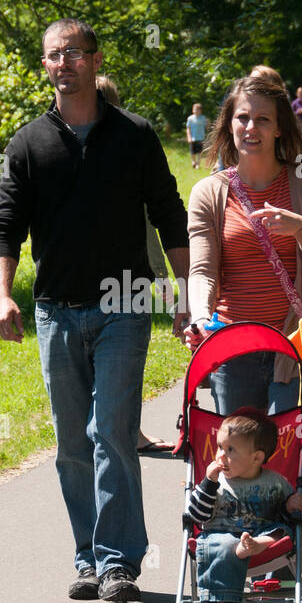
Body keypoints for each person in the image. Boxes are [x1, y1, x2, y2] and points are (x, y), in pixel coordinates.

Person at [0, 19, 190, 603]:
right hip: (55, 310)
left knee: (114, 434)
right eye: (54, 55)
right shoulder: (27, 143)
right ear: (45, 66)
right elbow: (5, 226)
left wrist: (183, 295)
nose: (64, 63)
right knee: (73, 442)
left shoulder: (136, 135)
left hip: (124, 307)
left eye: (74, 53)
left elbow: (168, 213)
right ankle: (87, 557)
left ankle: (119, 563)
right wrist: (4, 295)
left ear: (96, 60)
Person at [185, 74, 302, 415]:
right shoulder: (208, 193)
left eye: (262, 119)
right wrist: (199, 317)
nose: (251, 127)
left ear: (279, 128)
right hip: (232, 346)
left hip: (296, 346)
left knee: (290, 461)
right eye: (242, 117)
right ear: (229, 124)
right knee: (240, 463)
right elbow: (201, 271)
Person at [99, 73, 173, 455]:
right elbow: (152, 224)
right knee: (125, 367)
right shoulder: (131, 145)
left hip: (108, 278)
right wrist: (161, 275)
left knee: (110, 368)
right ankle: (128, 432)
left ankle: (121, 430)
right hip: (129, 277)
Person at [183, 409, 302, 603]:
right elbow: (195, 515)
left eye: (230, 450)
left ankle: (255, 544)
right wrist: (208, 483)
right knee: (223, 543)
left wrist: (290, 506)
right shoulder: (216, 483)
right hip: (221, 535)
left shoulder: (275, 482)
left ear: (257, 457)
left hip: (263, 538)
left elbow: (287, 521)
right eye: (219, 447)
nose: (220, 456)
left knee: (282, 532)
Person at [186, 102, 209, 170]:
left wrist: (208, 123)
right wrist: (189, 137)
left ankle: (198, 164)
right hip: (193, 138)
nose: (196, 111)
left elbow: (207, 128)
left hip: (201, 138)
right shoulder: (190, 118)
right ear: (193, 110)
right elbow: (188, 129)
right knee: (192, 152)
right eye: (195, 109)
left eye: (198, 109)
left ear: (201, 111)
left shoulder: (203, 118)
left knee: (199, 152)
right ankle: (193, 161)